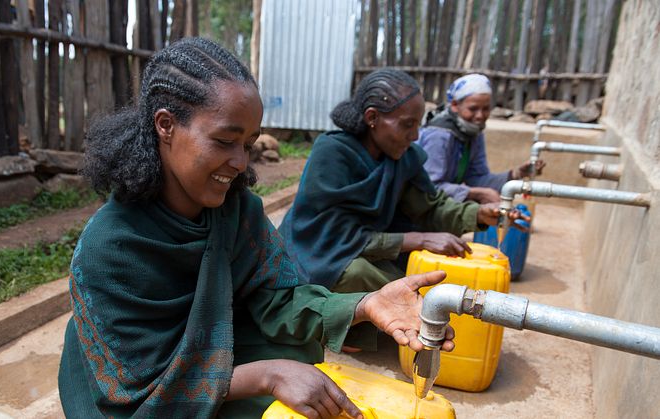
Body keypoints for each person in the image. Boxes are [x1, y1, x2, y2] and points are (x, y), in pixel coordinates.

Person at [57, 38, 454, 419]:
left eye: (247, 145)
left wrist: (363, 305)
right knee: (285, 376)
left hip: (199, 358)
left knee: (296, 354)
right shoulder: (108, 248)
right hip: (130, 395)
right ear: (166, 126)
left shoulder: (235, 210)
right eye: (225, 141)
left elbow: (277, 299)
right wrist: (267, 375)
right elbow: (139, 391)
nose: (241, 163)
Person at [279, 69, 525, 293]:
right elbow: (332, 236)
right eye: (407, 125)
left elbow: (432, 206)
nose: (416, 135)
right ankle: (340, 328)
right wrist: (417, 239)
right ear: (372, 117)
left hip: (365, 249)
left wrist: (479, 214)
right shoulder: (332, 153)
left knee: (428, 278)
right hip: (315, 253)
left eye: (418, 125)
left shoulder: (402, 158)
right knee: (363, 276)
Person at [417, 74, 545, 204]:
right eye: (473, 109)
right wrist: (473, 193)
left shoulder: (473, 133)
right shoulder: (439, 136)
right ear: (455, 105)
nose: (480, 116)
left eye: (486, 109)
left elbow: (477, 178)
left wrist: (515, 174)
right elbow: (429, 187)